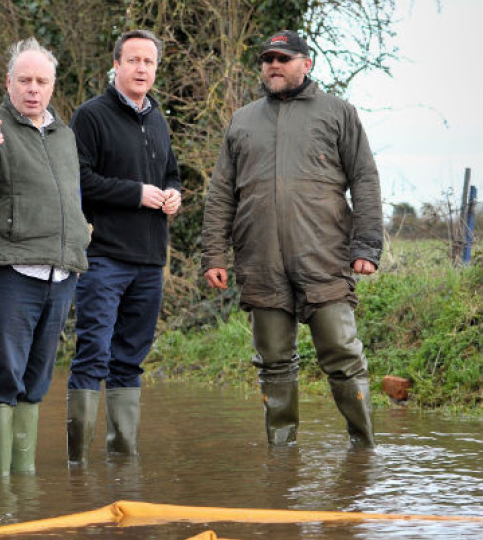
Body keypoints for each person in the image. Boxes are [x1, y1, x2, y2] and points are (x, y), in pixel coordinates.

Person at [201, 30, 383, 448]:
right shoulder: (242, 120)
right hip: (260, 261)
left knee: (343, 356)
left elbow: (365, 181)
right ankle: (281, 458)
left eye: (283, 57)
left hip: (325, 258)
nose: (274, 65)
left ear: (307, 63)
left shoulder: (339, 113)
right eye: (267, 58)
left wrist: (367, 247)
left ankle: (365, 447)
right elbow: (220, 194)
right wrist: (214, 254)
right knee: (274, 364)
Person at [0, 38, 89, 477]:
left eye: (42, 81)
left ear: (52, 86)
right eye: (25, 80)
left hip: (59, 271)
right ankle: (0, 489)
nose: (33, 89)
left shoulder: (65, 135)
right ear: (8, 82)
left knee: (36, 380)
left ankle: (24, 484)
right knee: (4, 377)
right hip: (6, 271)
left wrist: (82, 231)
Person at [66, 29, 182, 465]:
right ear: (115, 65)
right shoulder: (90, 116)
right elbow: (81, 180)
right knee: (93, 353)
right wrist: (136, 193)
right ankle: (77, 464)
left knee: (130, 359)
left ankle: (122, 458)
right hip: (105, 258)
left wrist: (173, 194)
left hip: (151, 261)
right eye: (132, 60)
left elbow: (172, 173)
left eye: (148, 62)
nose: (141, 68)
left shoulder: (158, 119)